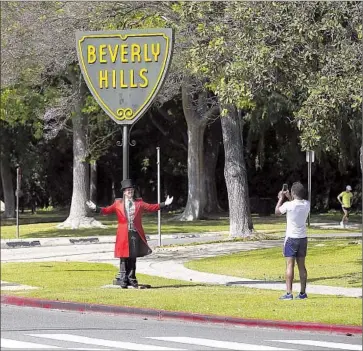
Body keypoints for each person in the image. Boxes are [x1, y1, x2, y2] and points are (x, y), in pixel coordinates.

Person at [86, 178, 173, 289]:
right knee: (123, 257)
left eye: (131, 190)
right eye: (127, 190)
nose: (130, 192)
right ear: (124, 192)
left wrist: (164, 203)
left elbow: (151, 207)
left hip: (134, 234)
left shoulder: (139, 203)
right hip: (123, 234)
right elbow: (107, 210)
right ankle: (123, 279)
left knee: (132, 257)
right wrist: (95, 208)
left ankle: (132, 279)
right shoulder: (118, 203)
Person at [275, 182, 310, 300]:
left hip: (291, 238)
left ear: (293, 193)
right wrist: (290, 197)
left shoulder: (288, 205)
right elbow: (295, 202)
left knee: (290, 265)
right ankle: (302, 293)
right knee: (302, 266)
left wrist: (281, 198)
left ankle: (289, 293)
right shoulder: (307, 204)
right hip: (302, 238)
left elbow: (277, 212)